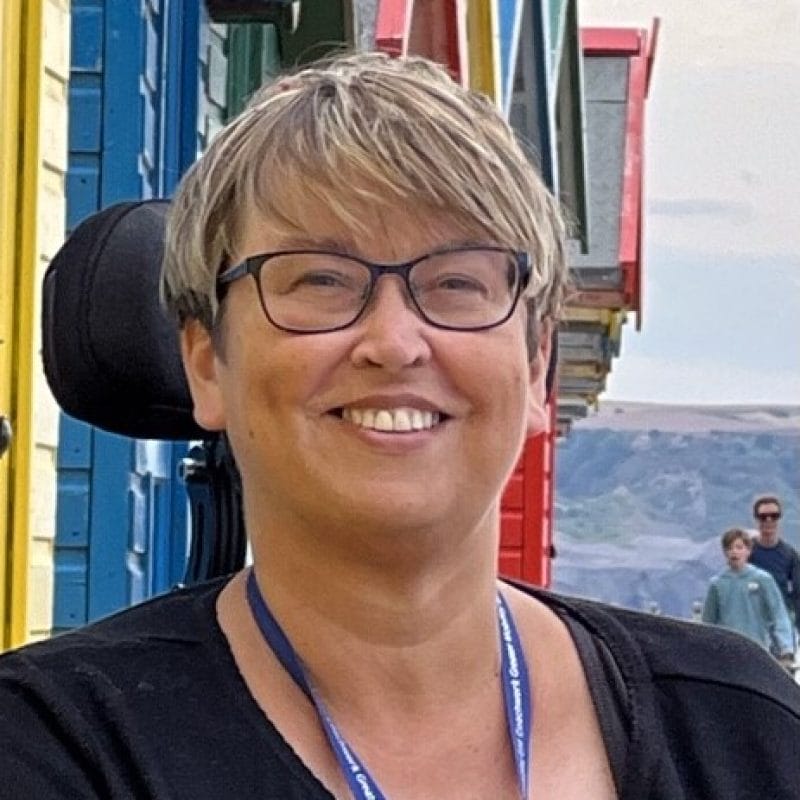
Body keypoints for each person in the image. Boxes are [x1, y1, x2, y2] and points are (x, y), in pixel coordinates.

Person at [1, 52, 800, 800]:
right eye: (320, 279)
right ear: (207, 362)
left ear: (535, 367)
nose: (393, 342)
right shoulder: (51, 748)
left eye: (456, 282)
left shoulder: (740, 730)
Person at [702, 527, 795, 667]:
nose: (734, 552)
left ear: (748, 551)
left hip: (758, 651)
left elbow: (778, 615)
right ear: (725, 553)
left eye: (739, 547)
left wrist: (786, 648)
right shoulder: (717, 584)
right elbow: (708, 622)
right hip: (727, 654)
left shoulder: (763, 579)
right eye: (729, 548)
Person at [748, 494, 800, 638]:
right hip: (752, 624)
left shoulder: (790, 555)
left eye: (774, 516)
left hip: (781, 626)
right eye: (763, 516)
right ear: (756, 519)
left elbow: (798, 595)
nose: (769, 520)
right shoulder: (745, 552)